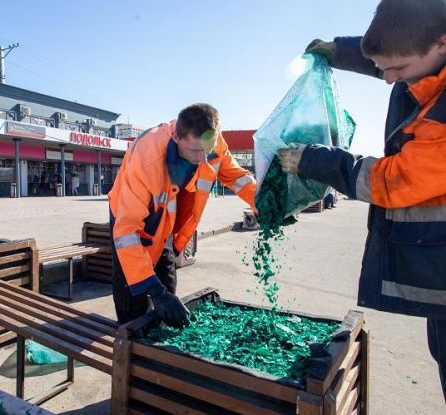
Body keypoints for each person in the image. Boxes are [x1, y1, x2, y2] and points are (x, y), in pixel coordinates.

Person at [277, 0, 446, 398]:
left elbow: (393, 182)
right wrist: (339, 50)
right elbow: (391, 57)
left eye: (398, 71)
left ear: (442, 43)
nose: (389, 80)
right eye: (384, 68)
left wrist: (314, 159)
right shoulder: (426, 57)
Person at [108, 103, 257, 327]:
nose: (204, 160)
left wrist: (264, 203)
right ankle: (130, 346)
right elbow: (126, 230)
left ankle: (162, 338)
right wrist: (154, 291)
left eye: (207, 151)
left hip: (166, 216)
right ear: (177, 136)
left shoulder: (211, 143)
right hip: (128, 216)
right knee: (133, 288)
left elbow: (237, 178)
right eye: (195, 152)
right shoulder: (146, 159)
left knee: (166, 278)